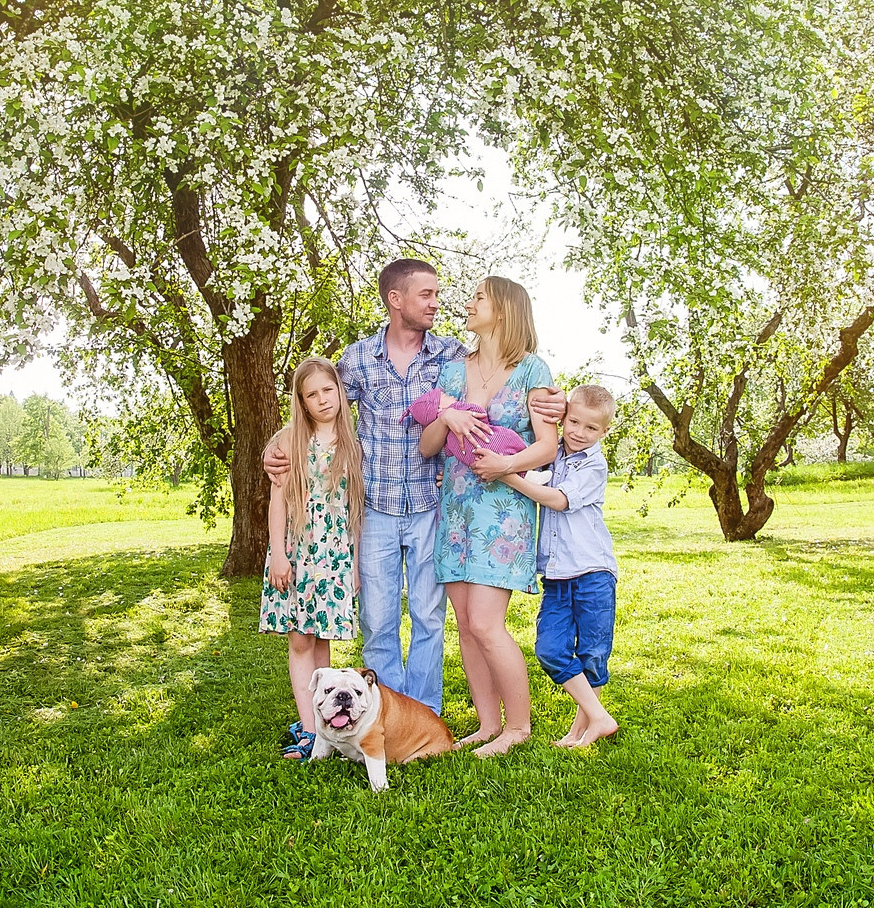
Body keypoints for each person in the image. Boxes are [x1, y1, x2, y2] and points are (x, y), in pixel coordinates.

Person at [262, 259, 566, 715]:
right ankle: (386, 715)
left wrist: (555, 400)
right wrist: (274, 445)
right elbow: (315, 402)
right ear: (395, 300)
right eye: (426, 295)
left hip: (433, 505)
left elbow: (505, 377)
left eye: (438, 294)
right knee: (378, 621)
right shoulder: (358, 359)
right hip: (376, 506)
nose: (437, 303)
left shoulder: (451, 355)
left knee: (429, 619)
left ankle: (424, 717)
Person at [417, 275, 559, 758]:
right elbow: (427, 446)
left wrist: (506, 465)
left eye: (478, 297)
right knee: (464, 622)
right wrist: (445, 415)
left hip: (503, 508)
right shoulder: (454, 372)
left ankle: (518, 727)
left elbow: (547, 446)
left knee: (485, 623)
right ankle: (486, 724)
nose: (468, 302)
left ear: (503, 310)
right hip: (455, 507)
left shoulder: (531, 370)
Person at [498, 383, 620, 748]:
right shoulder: (553, 453)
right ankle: (599, 717)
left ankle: (584, 727)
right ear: (564, 417)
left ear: (605, 432)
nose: (580, 433)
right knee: (550, 649)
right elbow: (524, 449)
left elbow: (557, 499)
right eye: (574, 422)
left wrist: (508, 476)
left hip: (593, 572)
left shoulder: (594, 465)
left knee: (593, 655)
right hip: (557, 575)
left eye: (591, 428)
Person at [261, 357, 365, 762]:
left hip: (334, 551)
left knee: (321, 637)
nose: (323, 400)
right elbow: (276, 504)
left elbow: (354, 508)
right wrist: (279, 556)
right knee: (300, 638)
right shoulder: (288, 441)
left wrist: (353, 563)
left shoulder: (351, 444)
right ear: (302, 403)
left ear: (339, 392)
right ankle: (308, 731)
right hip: (298, 548)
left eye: (328, 390)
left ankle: (324, 730)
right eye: (312, 395)